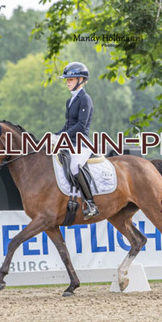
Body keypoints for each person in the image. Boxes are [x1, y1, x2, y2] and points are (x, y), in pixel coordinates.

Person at [54, 62, 99, 220]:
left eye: (71, 79)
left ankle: (90, 203)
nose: (67, 82)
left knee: (74, 166)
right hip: (69, 142)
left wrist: (62, 137)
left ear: (81, 80)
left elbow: (80, 125)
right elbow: (68, 125)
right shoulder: (70, 101)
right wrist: (55, 135)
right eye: (67, 80)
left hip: (82, 143)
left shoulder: (85, 99)